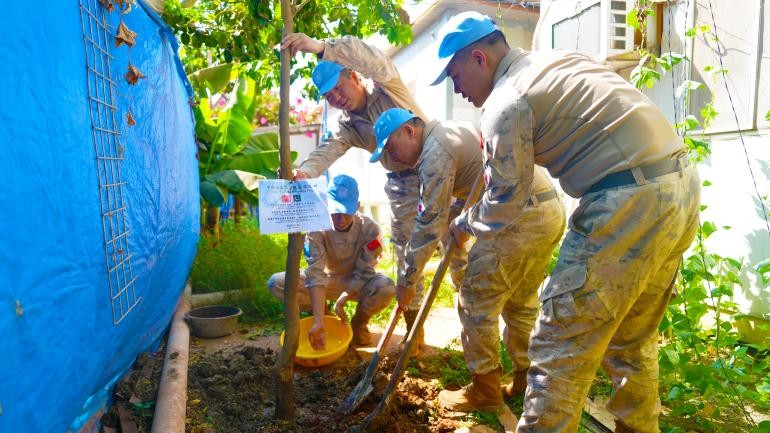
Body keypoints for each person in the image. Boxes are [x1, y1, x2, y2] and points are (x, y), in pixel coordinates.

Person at [431, 11, 701, 433]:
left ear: (479, 58)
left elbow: (505, 201)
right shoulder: (554, 61)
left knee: (558, 343)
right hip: (678, 186)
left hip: (625, 201)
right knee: (631, 340)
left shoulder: (507, 101)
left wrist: (463, 225)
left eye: (455, 75)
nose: (457, 88)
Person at [372, 104, 565, 411]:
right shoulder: (449, 132)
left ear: (409, 131)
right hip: (544, 209)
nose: (394, 159)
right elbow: (471, 192)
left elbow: (428, 224)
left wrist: (407, 280)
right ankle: (525, 379)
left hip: (520, 218)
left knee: (474, 300)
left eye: (392, 149)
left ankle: (485, 391)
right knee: (519, 302)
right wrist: (456, 225)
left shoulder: (436, 152)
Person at [281, 32, 458, 351]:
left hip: (438, 166)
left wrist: (322, 48)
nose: (337, 97)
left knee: (458, 247)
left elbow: (372, 58)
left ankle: (474, 326)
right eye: (329, 96)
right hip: (403, 184)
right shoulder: (348, 127)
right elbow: (328, 149)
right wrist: (304, 172)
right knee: (407, 254)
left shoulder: (387, 85)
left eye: (339, 87)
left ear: (353, 76)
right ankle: (415, 337)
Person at [267, 175, 395, 349]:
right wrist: (319, 320)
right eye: (335, 212)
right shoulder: (316, 228)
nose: (341, 219)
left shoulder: (370, 229)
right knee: (277, 283)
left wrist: (344, 298)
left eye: (346, 212)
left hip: (356, 282)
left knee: (386, 287)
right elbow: (315, 274)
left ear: (357, 206)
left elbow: (365, 271)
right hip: (326, 280)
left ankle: (359, 323)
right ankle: (324, 316)